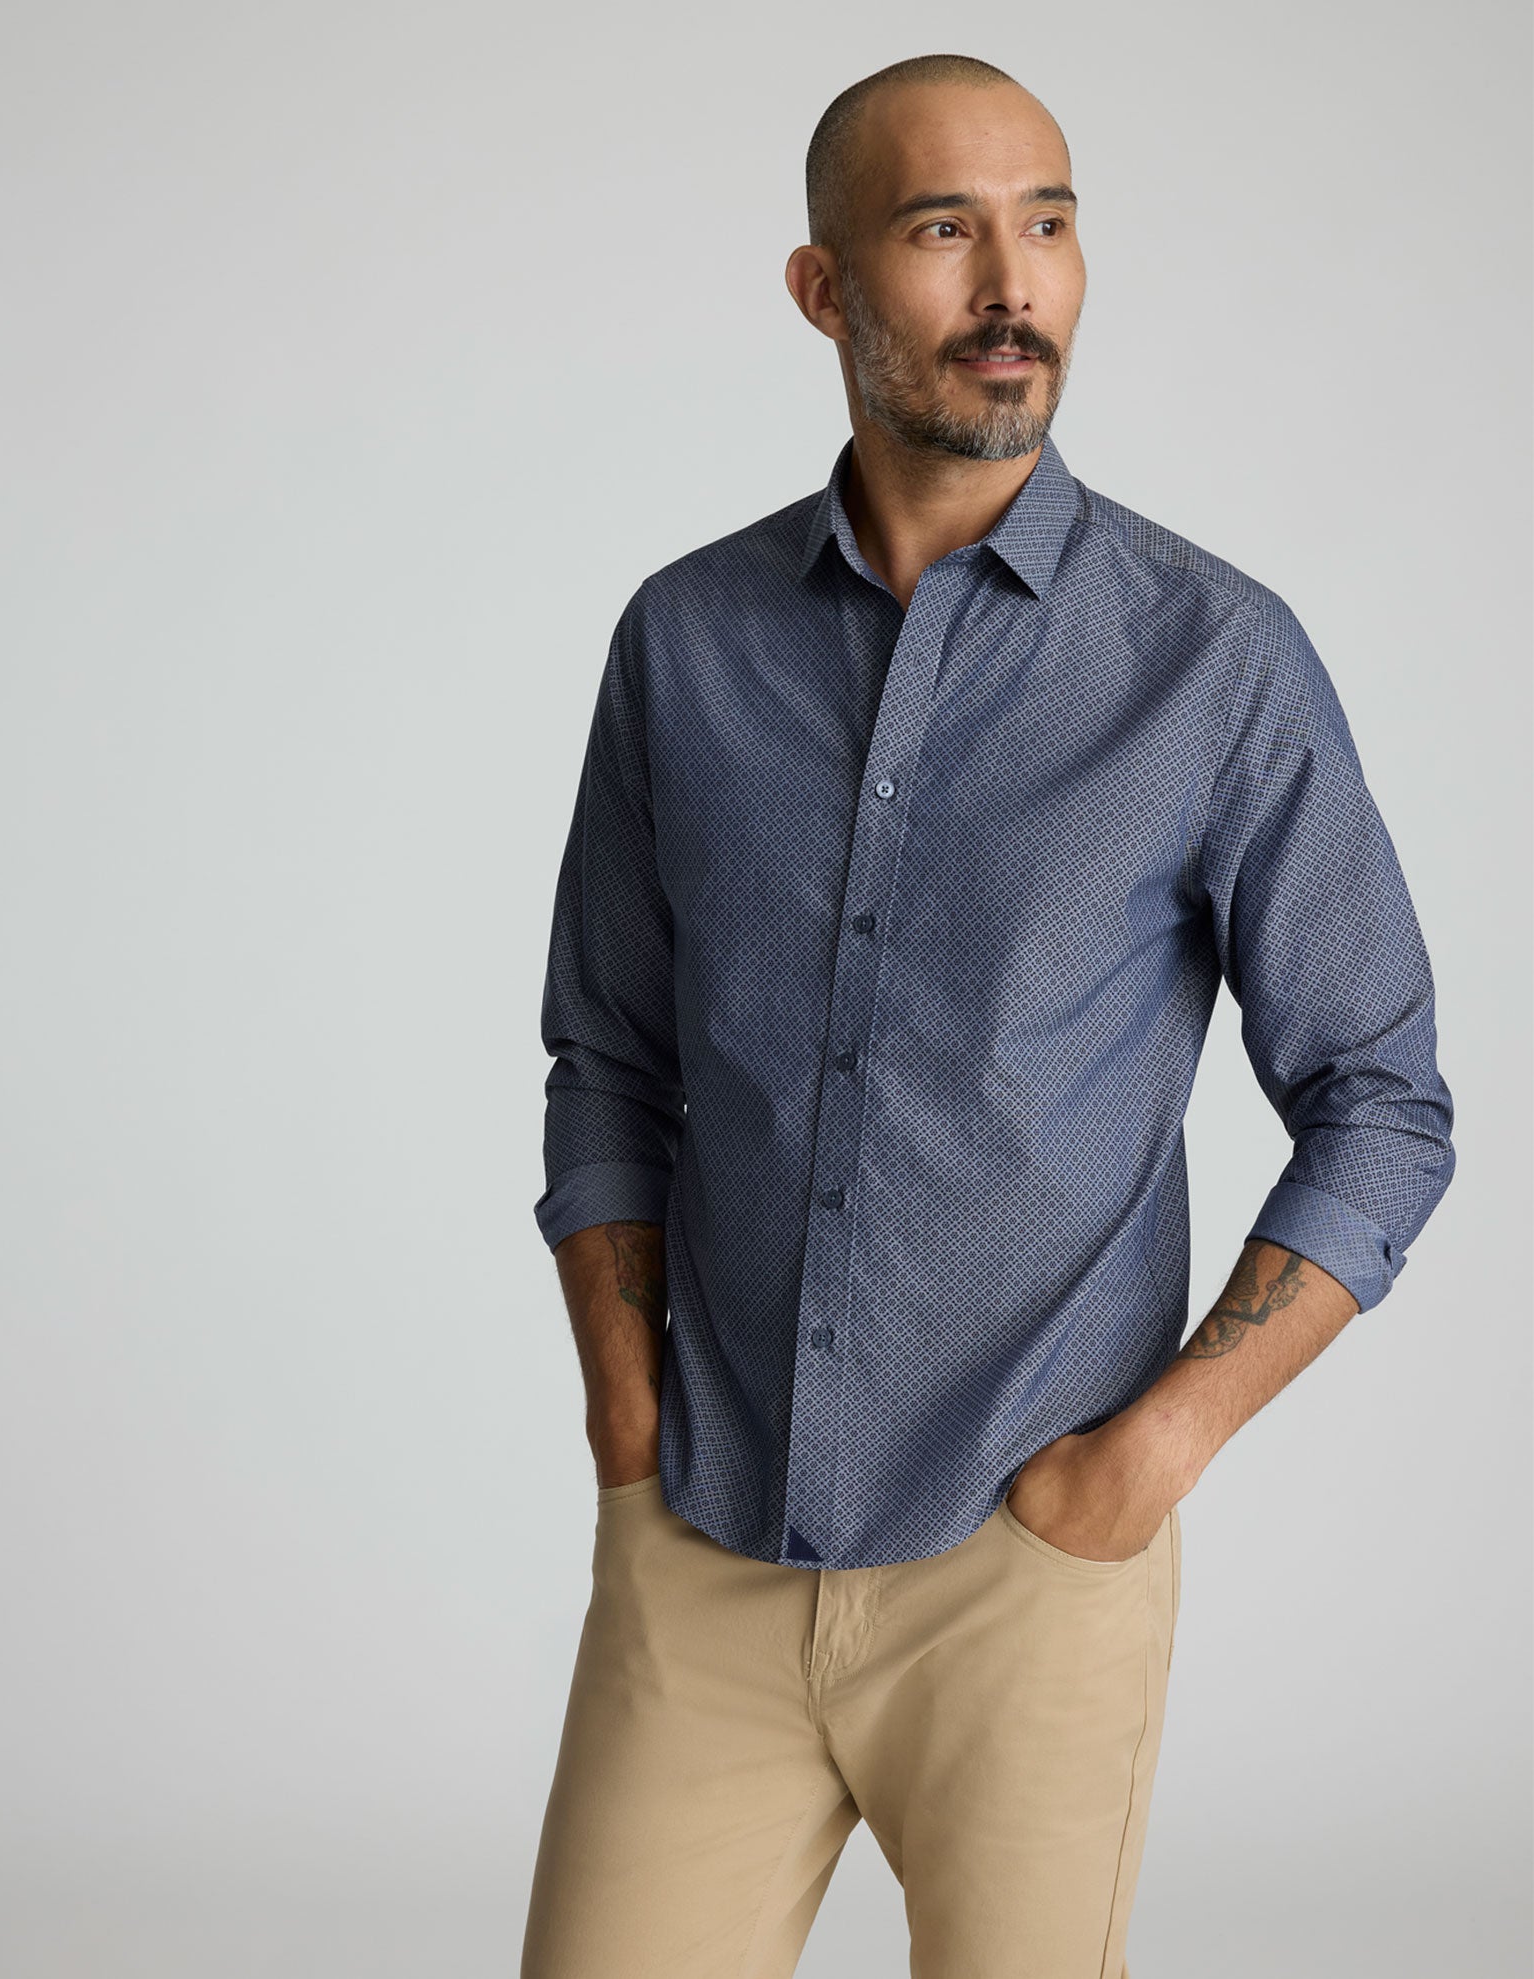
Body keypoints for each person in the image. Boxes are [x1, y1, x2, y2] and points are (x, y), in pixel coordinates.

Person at [518, 51, 1456, 1979]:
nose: (1012, 284)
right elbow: (609, 1060)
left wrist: (1151, 1455)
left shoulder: (1212, 661)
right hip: (705, 1540)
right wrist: (624, 1412)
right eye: (944, 229)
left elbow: (1381, 1101)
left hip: (1031, 1568)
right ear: (823, 287)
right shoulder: (685, 641)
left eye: (1050, 223)